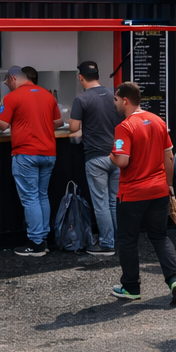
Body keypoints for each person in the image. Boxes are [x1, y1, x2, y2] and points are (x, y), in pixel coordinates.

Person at [109, 81, 176, 303]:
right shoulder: (159, 121)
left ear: (125, 100)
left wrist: (111, 155)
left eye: (116, 99)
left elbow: (122, 160)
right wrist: (169, 185)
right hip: (158, 190)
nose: (115, 103)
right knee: (160, 236)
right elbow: (169, 156)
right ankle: (174, 280)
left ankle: (131, 287)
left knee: (128, 240)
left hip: (132, 194)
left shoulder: (125, 126)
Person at [0, 65, 63, 257]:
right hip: (49, 152)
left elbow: (2, 125)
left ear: (12, 78)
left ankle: (35, 243)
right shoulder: (47, 95)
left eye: (7, 82)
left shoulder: (12, 97)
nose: (7, 86)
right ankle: (42, 240)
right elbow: (58, 122)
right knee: (42, 195)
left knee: (30, 198)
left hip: (25, 153)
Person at [68, 60, 123, 256]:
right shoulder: (115, 95)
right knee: (113, 201)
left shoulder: (81, 99)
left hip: (95, 157)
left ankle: (107, 243)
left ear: (81, 78)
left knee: (100, 202)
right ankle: (119, 240)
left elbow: (74, 128)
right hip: (117, 154)